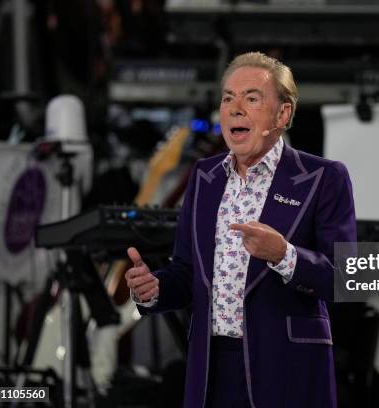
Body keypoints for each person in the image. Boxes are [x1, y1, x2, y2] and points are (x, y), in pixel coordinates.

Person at [125, 51, 356, 408]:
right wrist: (154, 289)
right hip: (212, 367)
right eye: (228, 98)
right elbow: (187, 272)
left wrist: (284, 255)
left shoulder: (323, 178)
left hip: (287, 368)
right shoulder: (205, 177)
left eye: (251, 98)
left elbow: (344, 279)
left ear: (283, 114)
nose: (235, 108)